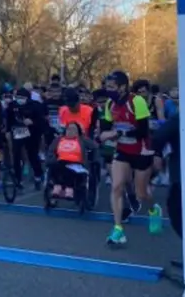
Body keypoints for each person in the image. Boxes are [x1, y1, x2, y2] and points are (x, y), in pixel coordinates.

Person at [99, 70, 162, 245]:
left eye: (112, 87)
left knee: (141, 193)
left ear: (123, 87)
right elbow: (104, 128)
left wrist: (119, 132)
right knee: (117, 186)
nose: (108, 90)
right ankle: (118, 229)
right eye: (107, 87)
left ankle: (153, 210)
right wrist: (105, 134)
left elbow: (143, 130)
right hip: (123, 150)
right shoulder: (110, 104)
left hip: (141, 151)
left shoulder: (137, 101)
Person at [45, 123, 96, 199]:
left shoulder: (81, 139)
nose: (70, 131)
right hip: (61, 161)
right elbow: (51, 150)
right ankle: (57, 187)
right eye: (69, 129)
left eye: (73, 129)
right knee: (53, 166)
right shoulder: (59, 139)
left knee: (70, 168)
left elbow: (94, 146)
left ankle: (69, 190)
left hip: (77, 163)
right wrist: (51, 158)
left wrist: (83, 138)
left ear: (77, 132)